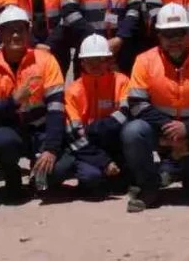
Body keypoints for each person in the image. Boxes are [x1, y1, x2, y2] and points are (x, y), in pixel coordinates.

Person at [122, 3, 189, 211]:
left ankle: (185, 170)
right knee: (133, 132)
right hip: (158, 131)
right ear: (159, 36)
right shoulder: (144, 61)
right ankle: (148, 187)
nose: (174, 40)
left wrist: (188, 128)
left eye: (179, 33)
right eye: (167, 34)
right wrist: (170, 129)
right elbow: (136, 104)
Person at [0, 7, 66, 202]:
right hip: (12, 132)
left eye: (21, 29)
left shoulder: (46, 61)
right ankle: (13, 180)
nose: (16, 35)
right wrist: (13, 101)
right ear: (0, 33)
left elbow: (56, 108)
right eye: (9, 30)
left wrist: (51, 149)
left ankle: (38, 174)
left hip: (42, 130)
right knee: (1, 140)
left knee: (59, 171)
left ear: (29, 32)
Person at [54, 34, 131, 198]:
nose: (95, 64)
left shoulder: (122, 82)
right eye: (90, 60)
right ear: (82, 63)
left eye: (100, 59)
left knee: (122, 183)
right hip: (86, 148)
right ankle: (91, 172)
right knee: (81, 176)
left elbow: (126, 115)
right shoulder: (72, 91)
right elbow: (75, 135)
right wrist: (104, 162)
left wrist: (92, 129)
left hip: (114, 143)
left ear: (109, 60)